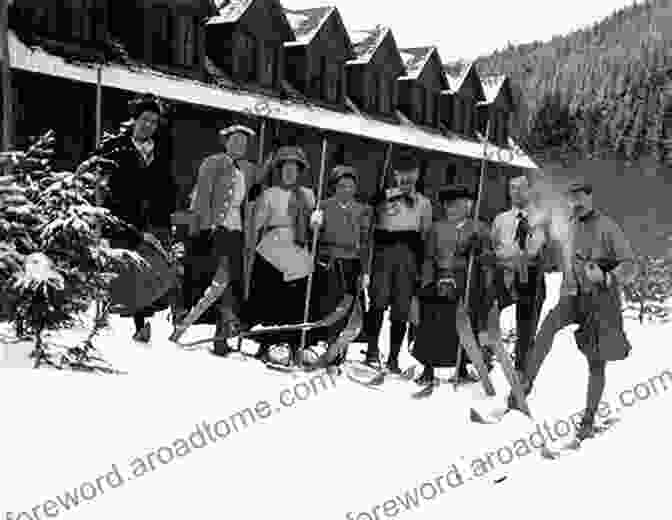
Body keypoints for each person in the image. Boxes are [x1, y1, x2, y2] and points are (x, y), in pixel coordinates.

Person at [512, 180, 637, 439]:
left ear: (590, 198)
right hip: (571, 297)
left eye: (581, 197)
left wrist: (606, 276)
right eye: (572, 198)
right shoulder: (567, 226)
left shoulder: (608, 227)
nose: (576, 203)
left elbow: (630, 265)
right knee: (546, 328)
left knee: (596, 360)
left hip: (600, 302)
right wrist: (533, 240)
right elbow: (548, 254)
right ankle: (525, 386)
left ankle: (588, 419)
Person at [98, 93, 177, 343]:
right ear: (134, 120)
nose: (149, 126)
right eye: (145, 120)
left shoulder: (162, 151)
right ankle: (102, 318)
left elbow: (167, 187)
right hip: (120, 217)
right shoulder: (116, 147)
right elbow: (102, 181)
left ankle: (141, 324)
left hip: (151, 220)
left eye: (154, 122)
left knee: (147, 270)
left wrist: (165, 215)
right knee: (119, 268)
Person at [183, 124, 264, 355]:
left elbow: (252, 191)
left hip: (236, 231)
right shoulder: (213, 162)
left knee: (230, 284)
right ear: (226, 142)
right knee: (212, 281)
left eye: (244, 143)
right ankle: (184, 322)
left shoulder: (247, 169)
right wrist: (207, 225)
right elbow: (202, 195)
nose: (240, 146)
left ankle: (221, 337)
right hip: (215, 228)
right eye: (235, 141)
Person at [241, 146, 323, 362]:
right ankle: (269, 342)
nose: (289, 173)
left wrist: (316, 222)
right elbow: (256, 223)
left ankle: (294, 342)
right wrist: (252, 203)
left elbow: (315, 227)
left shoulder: (308, 195)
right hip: (273, 248)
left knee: (295, 300)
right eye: (285, 168)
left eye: (294, 169)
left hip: (298, 250)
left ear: (299, 172)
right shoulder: (269, 193)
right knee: (271, 297)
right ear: (279, 171)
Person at [414, 184, 494, 386]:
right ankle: (428, 368)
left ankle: (462, 367)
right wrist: (427, 283)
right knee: (433, 325)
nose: (462, 208)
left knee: (465, 325)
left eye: (466, 204)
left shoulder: (479, 228)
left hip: (468, 281)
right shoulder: (436, 228)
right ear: (447, 206)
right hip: (439, 279)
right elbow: (428, 257)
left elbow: (489, 259)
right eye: (455, 205)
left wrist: (479, 251)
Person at [362, 151, 433, 372]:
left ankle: (393, 357)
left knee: (401, 309)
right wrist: (378, 199)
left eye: (411, 173)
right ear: (395, 174)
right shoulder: (384, 197)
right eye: (402, 173)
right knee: (377, 303)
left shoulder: (424, 203)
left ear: (418, 175)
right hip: (384, 255)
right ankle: (372, 351)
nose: (407, 178)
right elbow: (368, 222)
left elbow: (426, 236)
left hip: (409, 258)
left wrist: (422, 268)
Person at [310, 165, 372, 361]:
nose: (346, 190)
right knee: (328, 305)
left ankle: (339, 347)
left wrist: (365, 271)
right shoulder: (324, 205)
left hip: (351, 264)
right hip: (329, 262)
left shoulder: (362, 210)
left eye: (350, 186)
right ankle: (324, 343)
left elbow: (365, 243)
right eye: (342, 186)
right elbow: (312, 236)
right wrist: (315, 225)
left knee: (346, 307)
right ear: (334, 187)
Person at [491, 173, 548, 372]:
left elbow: (533, 249)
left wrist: (509, 253)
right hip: (504, 273)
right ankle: (487, 352)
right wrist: (509, 255)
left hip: (528, 274)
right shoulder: (501, 220)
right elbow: (494, 249)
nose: (516, 192)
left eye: (521, 187)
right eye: (512, 188)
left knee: (526, 321)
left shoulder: (539, 217)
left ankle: (522, 365)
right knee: (487, 308)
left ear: (530, 191)